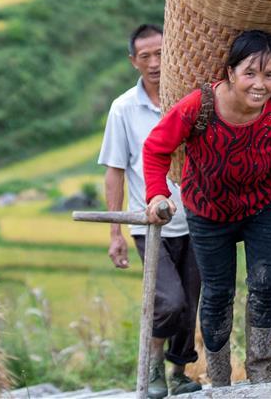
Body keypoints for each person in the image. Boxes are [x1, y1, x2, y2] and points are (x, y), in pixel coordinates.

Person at [142, 29, 271, 387]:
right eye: (250, 73)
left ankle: (260, 369)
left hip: (261, 207)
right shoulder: (198, 107)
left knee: (266, 283)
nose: (260, 84)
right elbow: (156, 149)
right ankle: (220, 379)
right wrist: (157, 194)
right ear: (229, 73)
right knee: (218, 293)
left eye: (270, 74)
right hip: (208, 213)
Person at [97, 24, 202, 398]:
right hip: (150, 226)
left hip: (197, 222)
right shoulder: (123, 108)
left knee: (191, 304)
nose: (155, 63)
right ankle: (154, 364)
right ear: (133, 61)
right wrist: (115, 234)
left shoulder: (191, 99)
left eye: (161, 53)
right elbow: (114, 171)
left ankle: (179, 373)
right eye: (146, 57)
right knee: (169, 302)